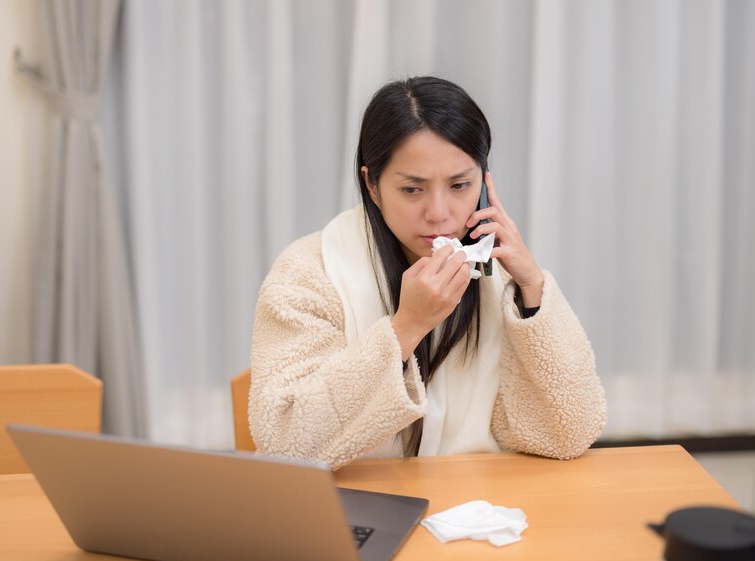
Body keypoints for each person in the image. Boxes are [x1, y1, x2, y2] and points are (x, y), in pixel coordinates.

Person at [249, 76, 606, 469]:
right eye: (412, 189)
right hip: (357, 510)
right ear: (372, 185)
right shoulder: (309, 272)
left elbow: (567, 433)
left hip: (477, 508)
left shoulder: (500, 276)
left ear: (484, 182)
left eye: (459, 185)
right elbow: (285, 442)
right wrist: (405, 329)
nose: (439, 213)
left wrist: (532, 292)